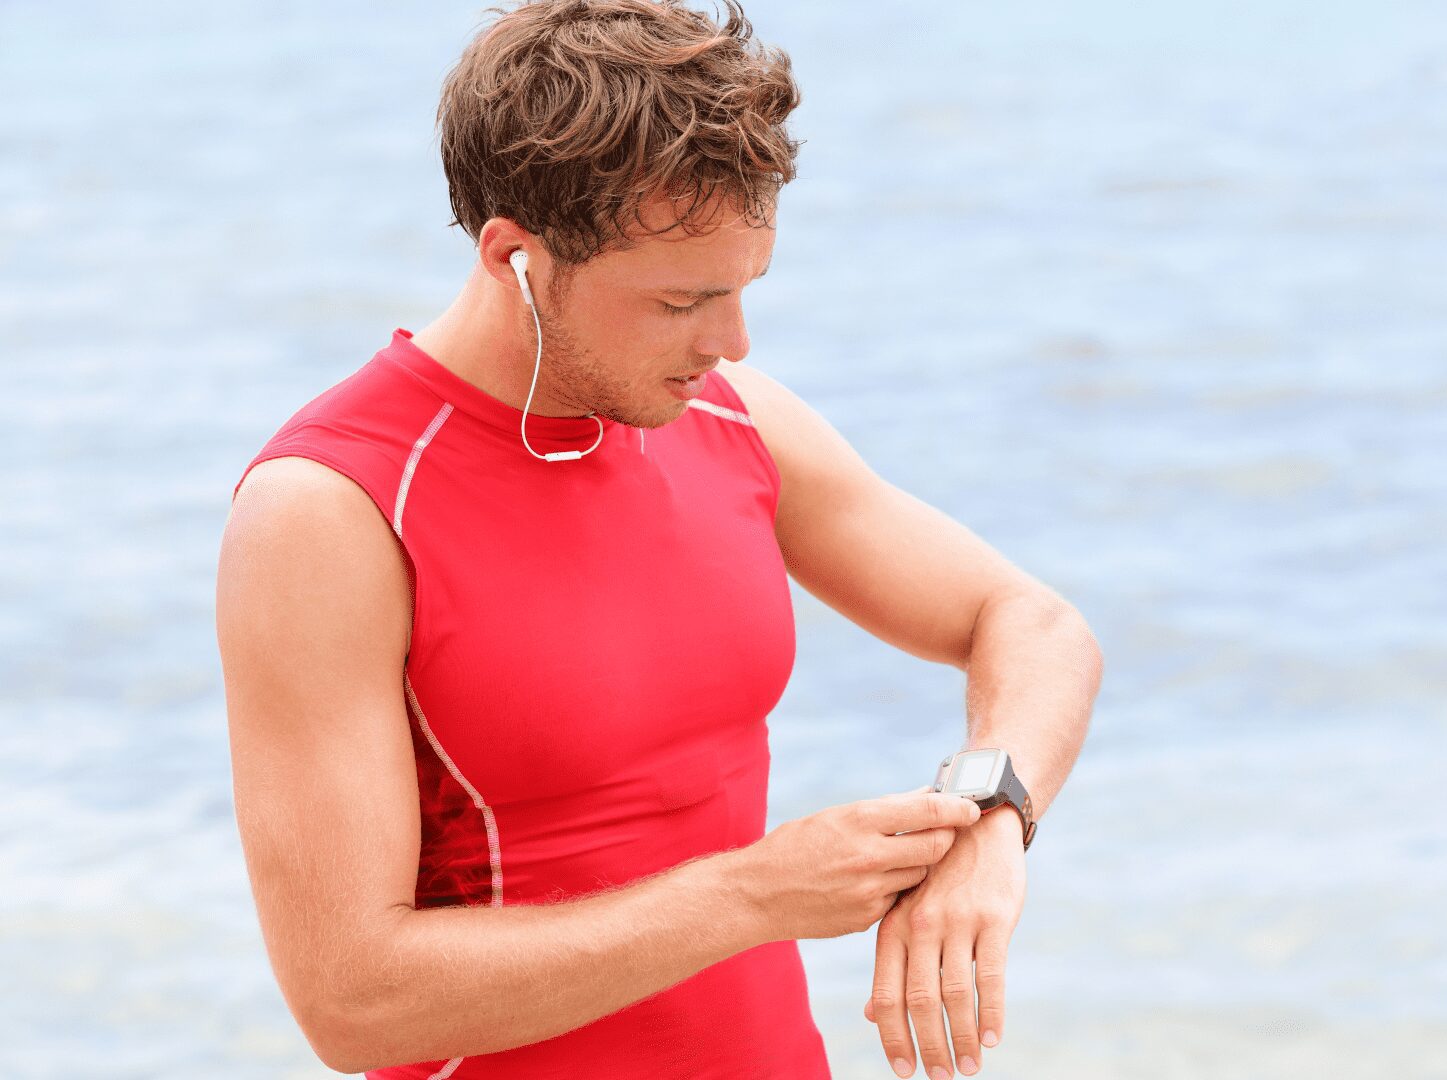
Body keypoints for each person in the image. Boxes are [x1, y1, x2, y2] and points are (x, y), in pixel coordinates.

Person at [212, 2, 1101, 1078]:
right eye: (683, 300)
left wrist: (991, 817)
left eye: (741, 290)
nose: (729, 342)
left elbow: (1031, 623)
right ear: (517, 259)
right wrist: (754, 893)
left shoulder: (731, 416)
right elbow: (353, 1003)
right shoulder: (333, 508)